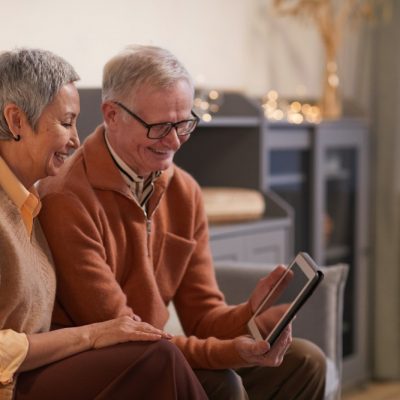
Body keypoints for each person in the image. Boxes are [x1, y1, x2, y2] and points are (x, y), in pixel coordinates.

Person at [38, 44, 327, 400]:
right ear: (112, 114)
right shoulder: (67, 198)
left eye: (184, 123)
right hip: (107, 366)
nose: (175, 141)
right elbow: (129, 335)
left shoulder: (184, 191)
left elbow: (203, 316)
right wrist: (232, 352)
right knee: (222, 383)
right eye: (160, 127)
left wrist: (251, 315)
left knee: (306, 363)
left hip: (159, 353)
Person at [0, 47, 208, 400]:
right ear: (17, 121)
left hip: (37, 373)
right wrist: (91, 335)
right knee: (157, 358)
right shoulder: (58, 199)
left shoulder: (27, 204)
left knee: (193, 371)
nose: (76, 140)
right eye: (65, 123)